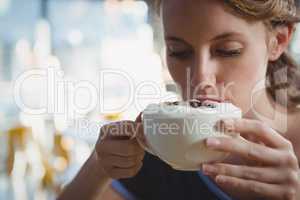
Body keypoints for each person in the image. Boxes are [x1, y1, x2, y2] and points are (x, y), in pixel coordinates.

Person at [57, 0, 300, 199]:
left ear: (277, 41)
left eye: (228, 50)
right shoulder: (163, 149)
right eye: (179, 52)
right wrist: (98, 168)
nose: (200, 78)